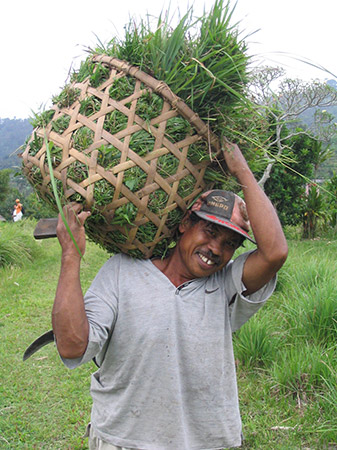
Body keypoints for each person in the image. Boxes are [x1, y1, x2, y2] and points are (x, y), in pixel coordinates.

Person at [52, 142, 288, 450]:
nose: (216, 249)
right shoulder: (122, 271)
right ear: (184, 225)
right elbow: (71, 347)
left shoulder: (226, 284)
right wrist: (71, 255)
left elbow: (275, 252)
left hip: (205, 442)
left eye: (230, 243)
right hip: (123, 440)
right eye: (210, 231)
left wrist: (241, 170)